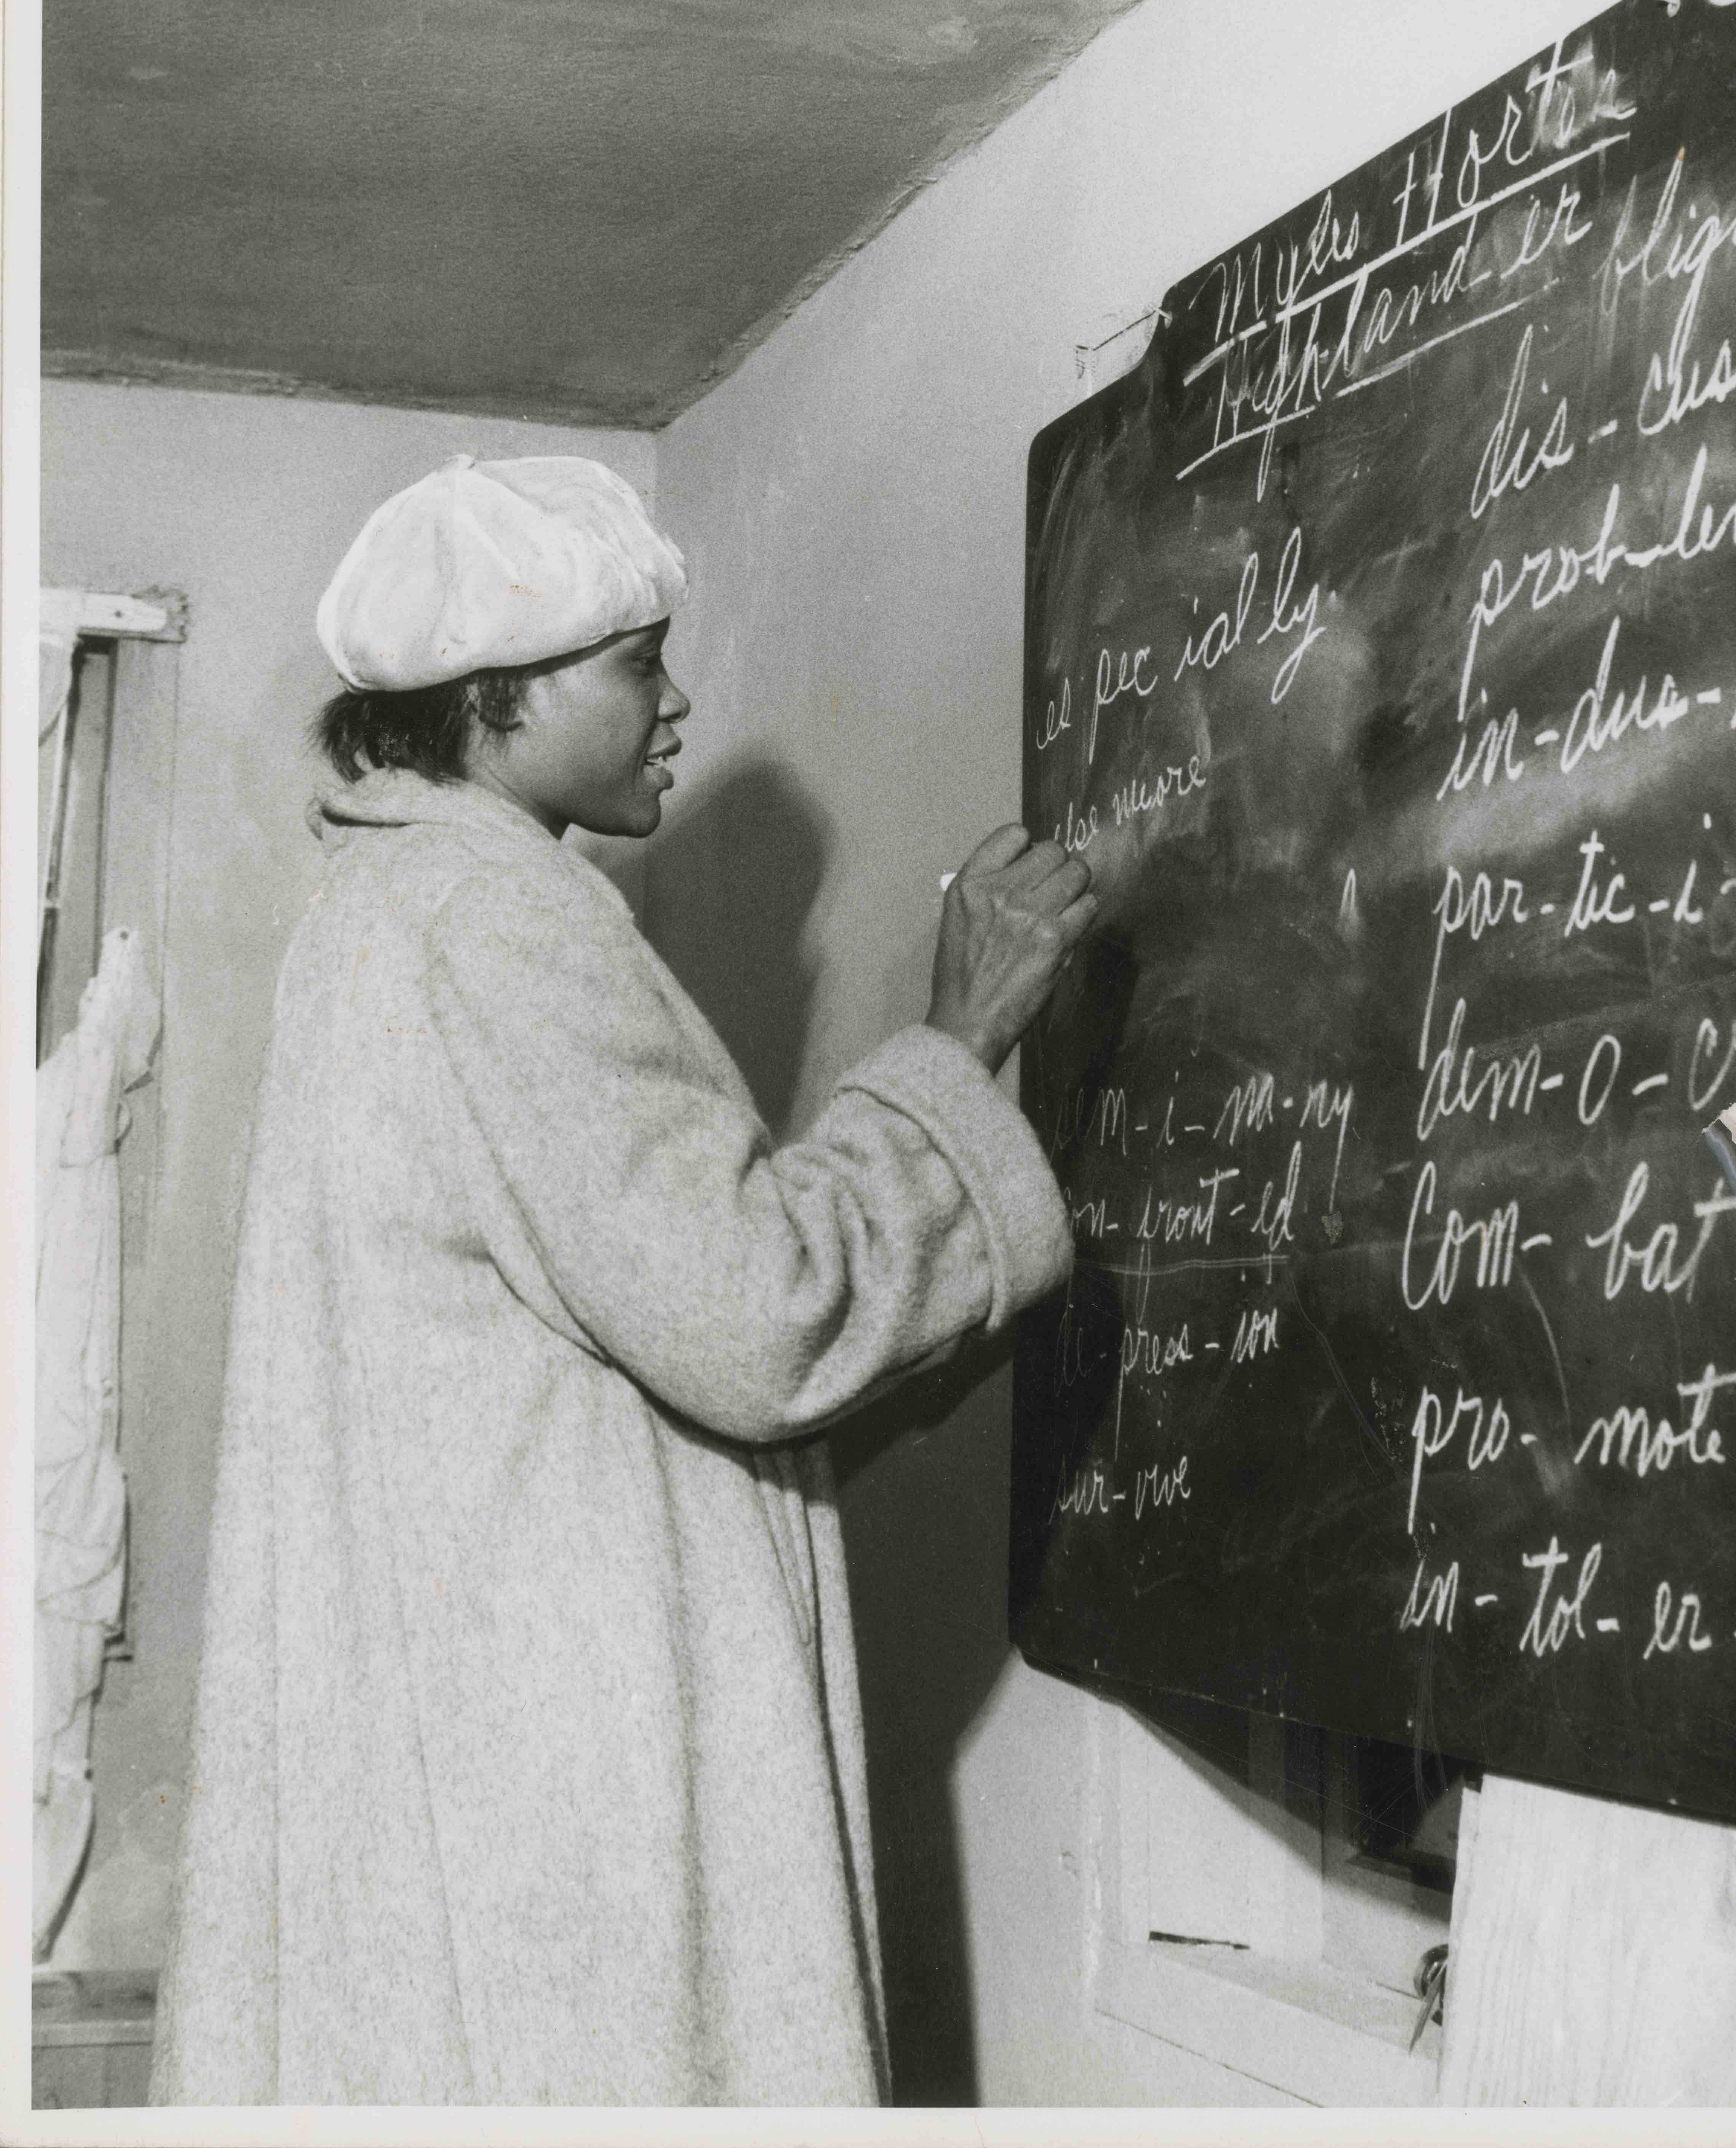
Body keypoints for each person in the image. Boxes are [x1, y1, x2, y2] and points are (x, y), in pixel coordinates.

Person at [149, 453, 1095, 2107]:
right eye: (637, 663)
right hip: (556, 1775)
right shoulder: (490, 923)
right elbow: (745, 1316)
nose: (677, 703)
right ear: (501, 697)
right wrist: (962, 1040)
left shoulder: (385, 907)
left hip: (478, 1738)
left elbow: (628, 1324)